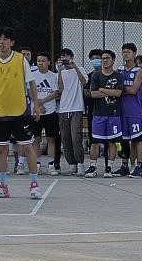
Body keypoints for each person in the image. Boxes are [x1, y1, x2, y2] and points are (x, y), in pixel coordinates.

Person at [0, 27, 42, 199]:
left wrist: (36, 105)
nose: (2, 42)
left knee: (27, 147)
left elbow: (31, 84)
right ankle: (2, 185)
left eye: (5, 39)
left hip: (20, 112)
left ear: (12, 42)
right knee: (1, 149)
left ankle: (34, 184)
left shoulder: (21, 60)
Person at [85, 50, 124, 178]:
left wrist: (102, 90)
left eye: (107, 58)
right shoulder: (96, 75)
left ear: (113, 60)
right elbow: (93, 93)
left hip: (113, 114)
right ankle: (92, 167)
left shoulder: (118, 76)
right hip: (98, 114)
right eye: (103, 58)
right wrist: (110, 91)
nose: (104, 61)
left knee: (112, 142)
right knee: (95, 142)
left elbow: (118, 93)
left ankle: (109, 168)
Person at [56, 48, 88, 176]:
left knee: (76, 138)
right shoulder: (60, 72)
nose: (64, 59)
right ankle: (72, 164)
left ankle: (80, 164)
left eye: (66, 56)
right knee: (65, 138)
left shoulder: (80, 69)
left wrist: (75, 68)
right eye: (62, 57)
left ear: (71, 57)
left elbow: (84, 82)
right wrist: (59, 70)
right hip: (63, 109)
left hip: (76, 108)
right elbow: (60, 88)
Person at [117, 43, 142, 177]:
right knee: (123, 139)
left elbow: (134, 90)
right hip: (121, 110)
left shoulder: (138, 71)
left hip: (134, 110)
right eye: (124, 52)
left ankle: (139, 167)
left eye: (128, 52)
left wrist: (120, 90)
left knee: (138, 139)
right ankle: (124, 166)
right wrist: (120, 90)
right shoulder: (119, 69)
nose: (125, 54)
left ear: (134, 54)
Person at [31, 52, 60, 175]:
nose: (40, 63)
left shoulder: (54, 76)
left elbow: (55, 92)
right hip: (36, 113)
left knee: (51, 139)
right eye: (39, 61)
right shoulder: (32, 75)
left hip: (50, 111)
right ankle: (37, 165)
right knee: (36, 139)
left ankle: (51, 165)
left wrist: (43, 101)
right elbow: (29, 91)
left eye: (43, 61)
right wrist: (38, 105)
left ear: (48, 62)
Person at [84, 49, 103, 150]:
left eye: (98, 58)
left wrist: (95, 93)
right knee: (92, 131)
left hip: (106, 108)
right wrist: (99, 93)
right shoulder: (88, 76)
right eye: (93, 59)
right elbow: (86, 93)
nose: (95, 60)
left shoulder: (109, 74)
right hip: (92, 108)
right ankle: (93, 150)